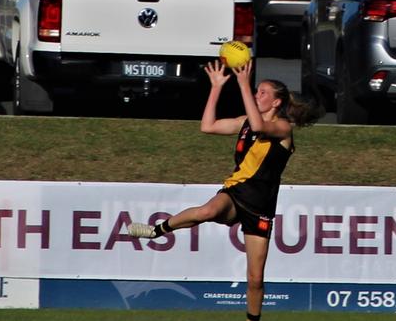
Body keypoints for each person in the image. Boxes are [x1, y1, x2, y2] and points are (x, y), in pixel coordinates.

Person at [128, 58, 318, 321]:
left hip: (260, 207)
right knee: (207, 210)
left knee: (255, 279)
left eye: (262, 92)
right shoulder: (244, 122)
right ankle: (155, 230)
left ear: (276, 103)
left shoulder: (283, 128)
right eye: (256, 90)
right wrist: (216, 86)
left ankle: (253, 319)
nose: (256, 94)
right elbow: (207, 126)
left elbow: (261, 126)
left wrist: (242, 83)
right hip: (235, 193)